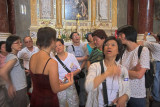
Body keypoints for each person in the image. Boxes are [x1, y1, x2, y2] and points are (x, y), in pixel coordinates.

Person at [29, 27, 74, 107]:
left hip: (35, 98)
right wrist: (70, 83)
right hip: (47, 101)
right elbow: (55, 89)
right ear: (52, 41)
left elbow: (38, 80)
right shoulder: (51, 62)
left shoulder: (33, 57)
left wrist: (55, 80)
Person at [85, 36, 130, 107]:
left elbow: (127, 89)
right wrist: (107, 73)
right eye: (106, 45)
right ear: (103, 50)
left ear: (118, 51)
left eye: (113, 45)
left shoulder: (123, 70)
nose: (109, 47)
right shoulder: (95, 67)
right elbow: (88, 86)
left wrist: (125, 97)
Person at [117, 25, 150, 107]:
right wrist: (133, 70)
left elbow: (139, 75)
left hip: (137, 94)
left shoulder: (143, 50)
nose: (119, 37)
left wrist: (123, 71)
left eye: (121, 35)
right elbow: (116, 71)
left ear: (127, 35)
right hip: (122, 92)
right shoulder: (122, 51)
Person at [0, 35, 29, 107]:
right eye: (17, 43)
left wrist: (23, 72)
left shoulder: (10, 56)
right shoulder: (13, 58)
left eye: (20, 42)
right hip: (18, 89)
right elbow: (3, 72)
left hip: (17, 88)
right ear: (11, 45)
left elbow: (11, 71)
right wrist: (10, 85)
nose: (21, 44)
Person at [53, 38, 80, 107]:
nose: (58, 47)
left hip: (70, 83)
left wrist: (71, 75)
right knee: (61, 102)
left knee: (73, 102)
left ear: (63, 45)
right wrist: (57, 80)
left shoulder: (71, 56)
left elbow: (78, 69)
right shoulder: (53, 59)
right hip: (60, 84)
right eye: (55, 46)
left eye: (59, 45)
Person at [138, 32, 160, 107]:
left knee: (156, 79)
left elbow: (143, 42)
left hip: (156, 63)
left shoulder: (155, 45)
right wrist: (154, 35)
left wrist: (145, 35)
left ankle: (155, 96)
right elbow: (157, 36)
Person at [67, 32, 88, 107]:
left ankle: (82, 104)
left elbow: (87, 58)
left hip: (82, 69)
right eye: (74, 36)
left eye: (77, 35)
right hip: (74, 71)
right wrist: (82, 58)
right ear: (72, 39)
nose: (77, 37)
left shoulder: (84, 46)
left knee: (83, 88)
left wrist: (81, 68)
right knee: (74, 88)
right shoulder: (70, 47)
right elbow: (72, 59)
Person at [0, 41, 10, 107]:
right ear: (0, 49)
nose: (6, 48)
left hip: (11, 79)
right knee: (2, 98)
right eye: (4, 47)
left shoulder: (11, 55)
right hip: (2, 81)